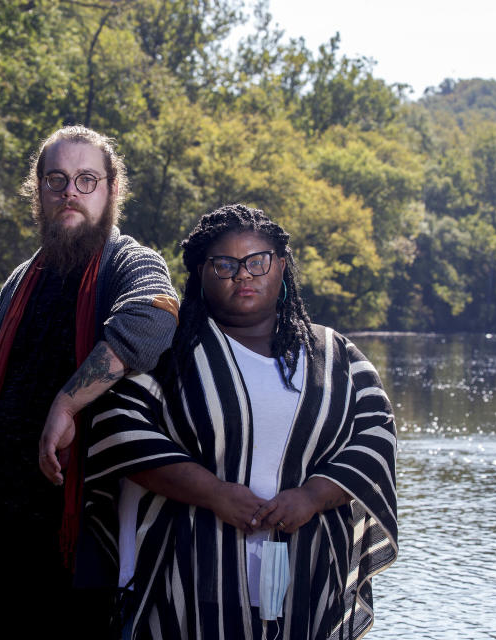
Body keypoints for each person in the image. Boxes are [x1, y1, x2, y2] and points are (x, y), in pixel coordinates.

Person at [81, 204, 398, 640]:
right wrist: (213, 493)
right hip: (192, 571)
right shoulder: (171, 357)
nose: (243, 275)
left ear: (281, 266)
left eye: (257, 262)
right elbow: (119, 431)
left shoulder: (336, 357)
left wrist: (312, 495)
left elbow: (376, 437)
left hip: (305, 567)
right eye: (225, 264)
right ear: (201, 273)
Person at [0, 125, 179, 639]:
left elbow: (155, 317)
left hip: (82, 540)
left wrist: (67, 405)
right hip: (4, 537)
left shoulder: (130, 263)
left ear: (113, 191)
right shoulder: (19, 281)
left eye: (86, 179)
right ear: (39, 193)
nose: (70, 192)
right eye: (56, 180)